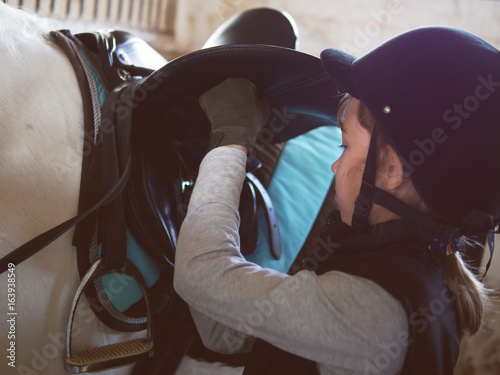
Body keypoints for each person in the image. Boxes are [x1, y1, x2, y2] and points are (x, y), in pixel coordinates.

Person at [174, 26, 500, 375]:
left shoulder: (371, 311)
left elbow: (200, 273)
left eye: (344, 146)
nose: (335, 164)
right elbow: (225, 332)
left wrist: (232, 139)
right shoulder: (403, 274)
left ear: (392, 169)